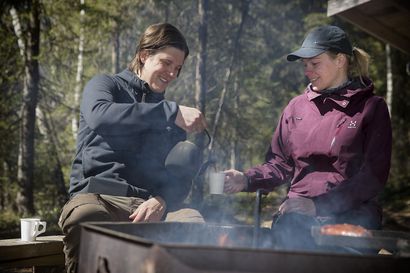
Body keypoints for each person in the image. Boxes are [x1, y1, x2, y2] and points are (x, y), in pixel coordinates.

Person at [223, 25, 392, 250]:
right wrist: (247, 179)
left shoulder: (371, 107)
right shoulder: (296, 108)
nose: (307, 71)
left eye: (315, 63)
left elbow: (373, 176)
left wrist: (317, 206)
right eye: (305, 65)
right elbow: (279, 164)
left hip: (351, 220)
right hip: (295, 222)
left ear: (340, 60)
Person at [59, 23, 207, 272]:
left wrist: (162, 200)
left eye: (178, 68)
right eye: (167, 63)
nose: (172, 73)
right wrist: (169, 112)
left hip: (149, 205)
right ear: (144, 55)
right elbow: (100, 116)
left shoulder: (172, 119)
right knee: (85, 220)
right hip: (99, 198)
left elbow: (179, 177)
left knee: (193, 223)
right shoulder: (106, 86)